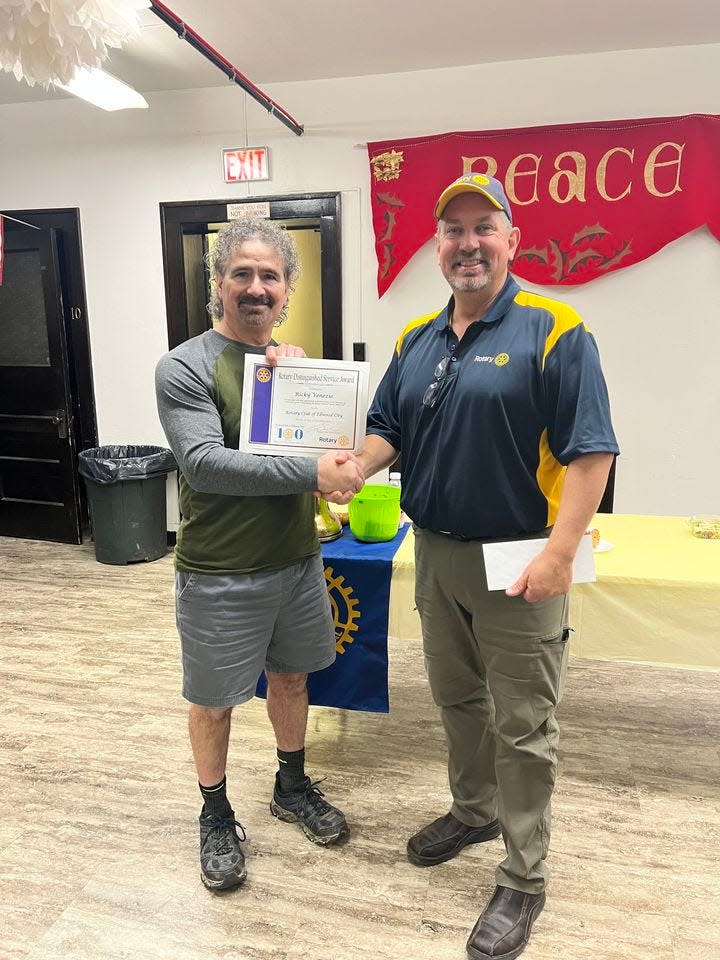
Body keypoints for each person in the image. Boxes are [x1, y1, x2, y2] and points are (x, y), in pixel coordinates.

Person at [356, 174, 619, 959]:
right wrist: (346, 465)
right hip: (435, 553)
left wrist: (561, 553)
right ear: (436, 245)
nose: (467, 243)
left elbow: (590, 449)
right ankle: (472, 812)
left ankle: (524, 876)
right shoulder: (415, 339)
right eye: (452, 229)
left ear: (512, 238)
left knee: (525, 725)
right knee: (457, 701)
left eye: (483, 227)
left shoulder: (556, 327)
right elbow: (385, 433)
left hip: (520, 559)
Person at [155, 218, 364, 892]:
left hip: (296, 562)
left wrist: (330, 453)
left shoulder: (294, 368)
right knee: (214, 703)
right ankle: (214, 814)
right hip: (219, 573)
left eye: (269, 276)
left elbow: (325, 448)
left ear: (286, 290)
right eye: (241, 273)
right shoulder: (184, 367)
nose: (255, 287)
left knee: (293, 680)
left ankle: (291, 785)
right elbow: (206, 465)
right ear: (218, 283)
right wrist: (316, 474)